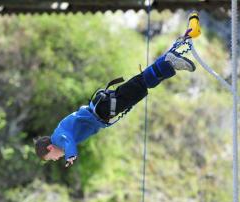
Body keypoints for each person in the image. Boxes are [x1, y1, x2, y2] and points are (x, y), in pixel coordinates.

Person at [34, 49, 196, 168]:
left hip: (102, 110)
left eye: (51, 158)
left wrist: (71, 155)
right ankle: (166, 63)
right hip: (102, 110)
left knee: (139, 85)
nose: (55, 159)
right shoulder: (59, 137)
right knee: (139, 87)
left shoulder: (58, 138)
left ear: (49, 148)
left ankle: (168, 63)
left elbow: (68, 140)